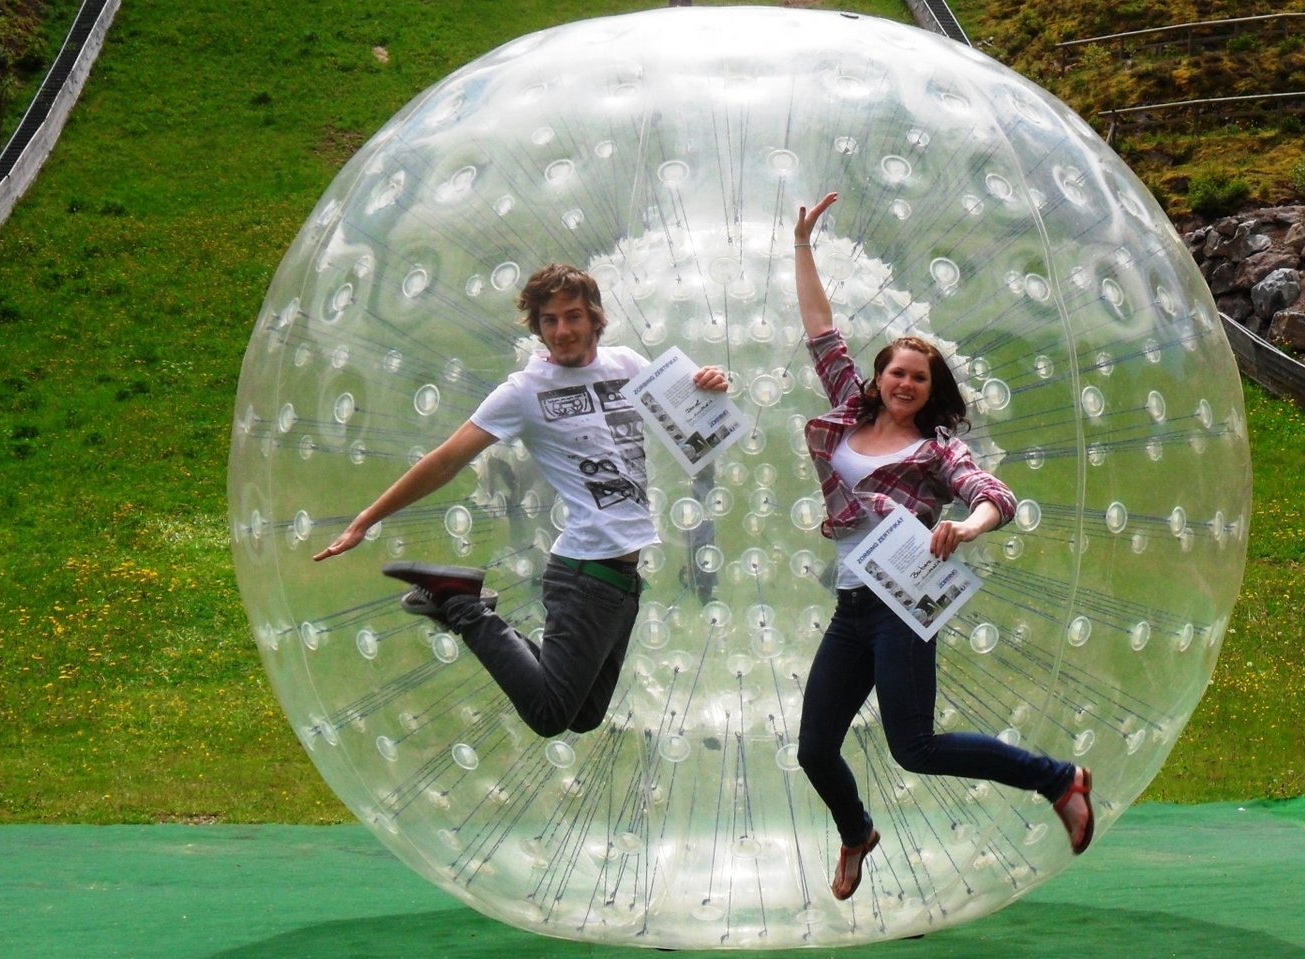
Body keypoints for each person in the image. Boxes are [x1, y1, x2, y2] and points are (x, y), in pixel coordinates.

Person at [789, 194, 1095, 901]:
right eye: (895, 371)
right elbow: (820, 331)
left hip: (902, 605)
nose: (904, 382)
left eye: (918, 377)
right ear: (878, 376)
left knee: (914, 748)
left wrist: (967, 526)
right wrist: (803, 244)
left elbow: (994, 493)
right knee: (813, 749)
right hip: (851, 606)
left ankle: (1058, 779)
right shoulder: (847, 415)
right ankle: (857, 830)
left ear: (932, 391)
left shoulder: (938, 449)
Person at [314, 263, 729, 737]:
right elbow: (446, 460)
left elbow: (696, 417)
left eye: (572, 316)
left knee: (583, 714)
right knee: (550, 715)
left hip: (621, 579)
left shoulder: (629, 365)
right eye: (549, 321)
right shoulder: (524, 392)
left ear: (595, 318)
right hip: (584, 573)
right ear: (537, 327)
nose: (562, 331)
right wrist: (367, 519)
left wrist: (709, 380)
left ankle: (470, 606)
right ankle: (463, 606)